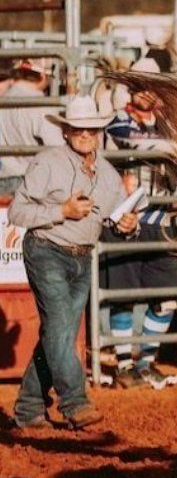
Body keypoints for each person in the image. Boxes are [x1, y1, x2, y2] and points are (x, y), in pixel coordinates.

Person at [10, 96, 138, 429]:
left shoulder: (108, 176)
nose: (85, 134)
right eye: (78, 129)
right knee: (60, 331)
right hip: (46, 249)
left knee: (59, 333)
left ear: (98, 132)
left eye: (91, 129)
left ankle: (28, 409)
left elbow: (117, 219)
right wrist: (61, 212)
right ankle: (74, 402)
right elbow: (16, 212)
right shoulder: (47, 162)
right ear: (66, 131)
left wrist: (128, 225)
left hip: (81, 256)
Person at [101, 58, 177, 389]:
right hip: (121, 215)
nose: (144, 91)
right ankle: (125, 365)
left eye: (150, 85)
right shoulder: (117, 122)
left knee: (167, 294)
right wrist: (176, 148)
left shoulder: (167, 125)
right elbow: (134, 143)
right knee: (123, 294)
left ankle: (146, 362)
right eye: (138, 84)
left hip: (158, 216)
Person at [0, 59, 64, 195]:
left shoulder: (3, 100)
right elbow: (58, 148)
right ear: (43, 76)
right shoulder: (41, 105)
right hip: (31, 182)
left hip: (3, 179)